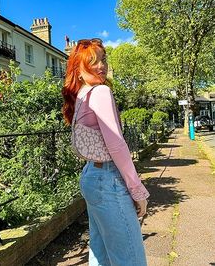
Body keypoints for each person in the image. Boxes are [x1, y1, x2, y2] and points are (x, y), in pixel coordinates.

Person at [62, 38, 149, 266]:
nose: (101, 66)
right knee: (130, 258)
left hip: (91, 176)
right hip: (107, 178)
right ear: (79, 70)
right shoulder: (99, 92)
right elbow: (116, 145)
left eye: (103, 59)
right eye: (93, 62)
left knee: (100, 254)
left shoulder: (82, 95)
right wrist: (137, 189)